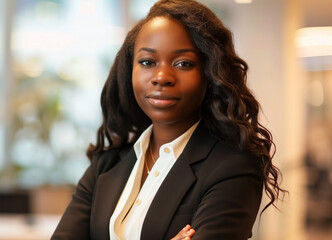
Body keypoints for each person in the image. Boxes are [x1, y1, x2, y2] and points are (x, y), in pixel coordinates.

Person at [52, 0, 285, 239]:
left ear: (209, 73)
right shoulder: (106, 165)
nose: (162, 77)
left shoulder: (232, 168)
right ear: (129, 70)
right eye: (147, 62)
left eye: (183, 63)